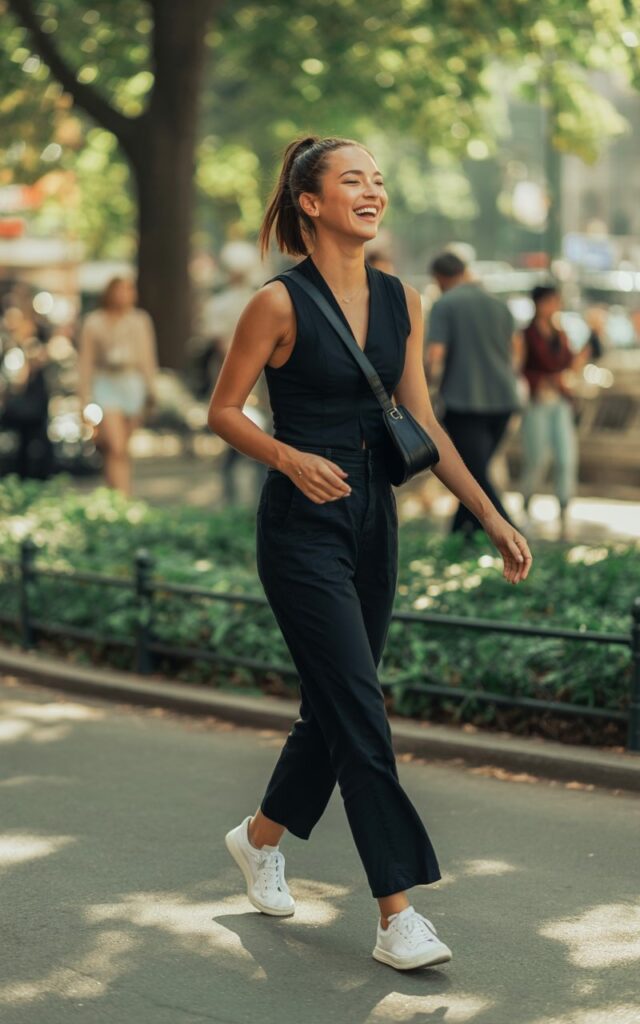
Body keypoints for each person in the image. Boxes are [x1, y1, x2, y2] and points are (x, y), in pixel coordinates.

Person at [208, 136, 532, 971]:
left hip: (373, 523)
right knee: (361, 711)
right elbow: (224, 410)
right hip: (300, 528)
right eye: (353, 179)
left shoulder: (404, 300)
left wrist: (489, 513)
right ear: (310, 202)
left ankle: (258, 838)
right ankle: (397, 914)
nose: (372, 190)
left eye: (378, 180)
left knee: (336, 706)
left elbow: (420, 422)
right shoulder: (277, 304)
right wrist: (286, 455)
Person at [425, 252, 521, 535]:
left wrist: (426, 384)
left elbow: (435, 356)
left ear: (440, 278)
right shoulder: (498, 305)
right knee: (472, 472)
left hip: (463, 403)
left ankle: (514, 536)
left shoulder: (444, 304)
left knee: (473, 476)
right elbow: (516, 351)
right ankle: (458, 536)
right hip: (504, 402)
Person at [77, 277, 158, 495]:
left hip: (133, 384)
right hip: (106, 382)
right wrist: (83, 399)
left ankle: (119, 493)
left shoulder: (140, 320)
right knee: (115, 445)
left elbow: (148, 358)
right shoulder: (94, 322)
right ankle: (121, 496)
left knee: (121, 450)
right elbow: (85, 362)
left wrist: (151, 391)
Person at [520, 284, 580, 538]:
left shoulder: (560, 333)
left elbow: (571, 363)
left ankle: (564, 506)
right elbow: (519, 368)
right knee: (537, 457)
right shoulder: (526, 334)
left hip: (560, 402)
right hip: (537, 402)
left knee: (566, 456)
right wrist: (543, 381)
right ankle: (526, 503)